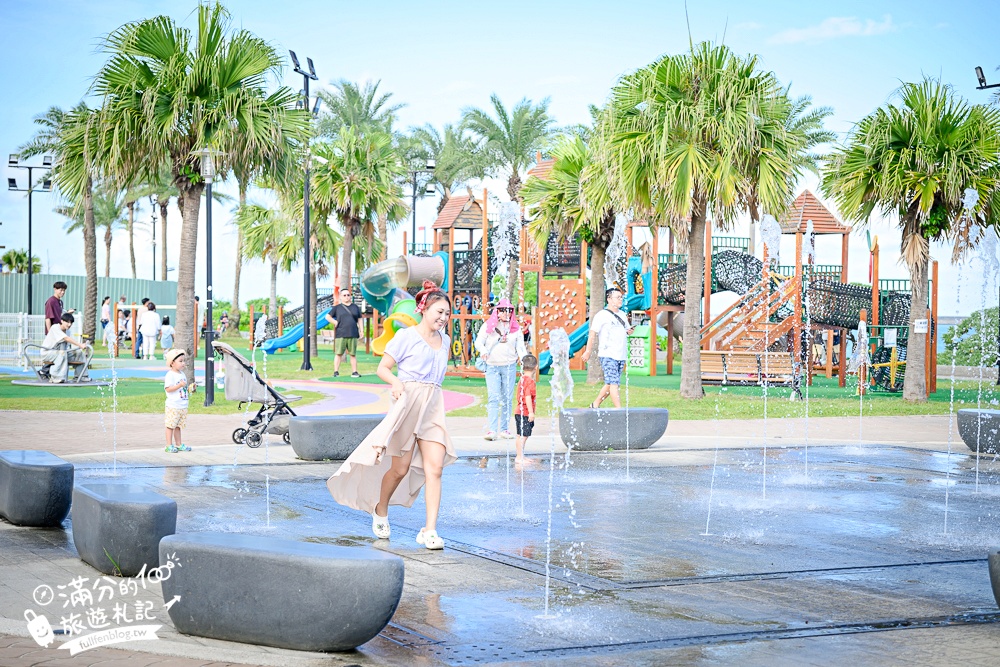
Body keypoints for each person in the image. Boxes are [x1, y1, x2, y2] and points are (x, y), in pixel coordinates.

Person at [327, 281, 456, 550]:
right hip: (407, 404)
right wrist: (396, 383)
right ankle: (381, 508)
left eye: (447, 313)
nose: (443, 317)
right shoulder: (407, 337)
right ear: (424, 309)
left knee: (435, 468)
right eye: (439, 312)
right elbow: (383, 368)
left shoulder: (444, 341)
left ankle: (430, 530)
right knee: (400, 469)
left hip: (433, 407)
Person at [474, 298, 526, 440]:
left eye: (509, 310)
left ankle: (504, 429)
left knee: (507, 398)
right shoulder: (488, 326)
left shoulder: (516, 328)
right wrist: (483, 350)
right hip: (492, 366)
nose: (506, 313)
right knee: (493, 398)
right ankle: (492, 430)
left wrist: (524, 359)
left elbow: (520, 347)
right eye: (502, 310)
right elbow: (478, 342)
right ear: (497, 311)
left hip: (509, 366)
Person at [581, 287, 634, 409]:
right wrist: (588, 351)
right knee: (614, 383)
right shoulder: (601, 315)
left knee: (610, 383)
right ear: (609, 299)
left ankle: (595, 404)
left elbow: (626, 330)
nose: (620, 299)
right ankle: (619, 410)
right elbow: (592, 334)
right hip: (608, 354)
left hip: (620, 355)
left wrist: (630, 331)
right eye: (617, 297)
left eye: (621, 297)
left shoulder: (622, 315)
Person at [40, 313, 90, 383]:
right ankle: (55, 377)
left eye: (71, 323)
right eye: (67, 322)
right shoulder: (55, 327)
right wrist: (80, 345)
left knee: (79, 353)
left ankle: (81, 376)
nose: (69, 325)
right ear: (62, 321)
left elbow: (67, 344)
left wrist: (80, 347)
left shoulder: (68, 331)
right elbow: (66, 338)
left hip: (60, 352)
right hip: (47, 353)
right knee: (62, 354)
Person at [326, 288, 363, 378]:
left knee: (353, 354)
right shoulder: (337, 308)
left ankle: (354, 372)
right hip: (341, 334)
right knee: (338, 353)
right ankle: (336, 372)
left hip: (353, 333)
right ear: (340, 297)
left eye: (348, 295)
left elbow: (359, 319)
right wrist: (335, 322)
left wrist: (361, 330)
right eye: (344, 295)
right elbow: (327, 316)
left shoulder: (355, 307)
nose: (346, 297)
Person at [163, 348, 194, 453]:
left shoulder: (182, 374)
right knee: (170, 425)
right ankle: (168, 445)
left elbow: (183, 389)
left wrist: (190, 388)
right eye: (180, 361)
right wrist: (179, 385)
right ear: (172, 363)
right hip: (173, 405)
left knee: (178, 426)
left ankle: (179, 444)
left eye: (183, 361)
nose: (183, 363)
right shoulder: (170, 375)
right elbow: (168, 389)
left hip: (182, 405)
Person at [514, 354, 538, 467]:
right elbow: (528, 397)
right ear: (536, 367)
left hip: (519, 411)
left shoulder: (522, 379)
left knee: (520, 435)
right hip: (525, 412)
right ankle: (519, 457)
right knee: (523, 436)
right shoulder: (530, 381)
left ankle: (520, 456)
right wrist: (531, 412)